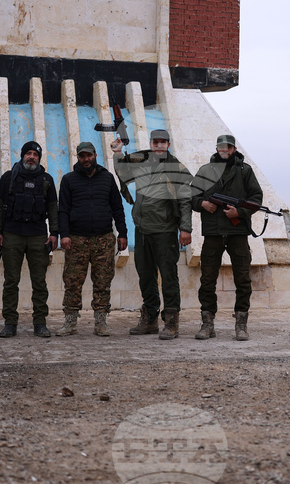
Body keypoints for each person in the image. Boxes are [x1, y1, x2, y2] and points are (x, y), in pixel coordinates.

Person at [112, 129, 192, 340]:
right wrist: (118, 154)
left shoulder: (176, 168)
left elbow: (185, 200)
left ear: (168, 144)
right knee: (145, 275)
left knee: (168, 277)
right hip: (143, 230)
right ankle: (149, 319)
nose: (158, 146)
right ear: (151, 142)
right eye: (155, 142)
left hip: (165, 231)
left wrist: (185, 228)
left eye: (162, 142)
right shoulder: (143, 163)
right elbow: (124, 175)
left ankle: (172, 322)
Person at [190, 134, 263, 341]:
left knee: (242, 279)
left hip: (237, 233)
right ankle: (207, 323)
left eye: (228, 148)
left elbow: (256, 199)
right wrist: (203, 204)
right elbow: (192, 197)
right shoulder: (206, 171)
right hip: (213, 233)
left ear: (233, 149)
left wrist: (238, 213)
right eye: (221, 147)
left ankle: (241, 325)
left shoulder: (245, 171)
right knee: (207, 280)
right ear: (217, 148)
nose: (225, 151)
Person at [55, 142, 128, 337]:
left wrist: (122, 233)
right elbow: (63, 210)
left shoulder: (107, 178)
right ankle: (70, 322)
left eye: (89, 155)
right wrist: (65, 235)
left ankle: (101, 322)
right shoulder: (69, 180)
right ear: (78, 158)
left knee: (103, 281)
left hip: (103, 239)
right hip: (76, 240)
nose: (86, 159)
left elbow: (117, 208)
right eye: (82, 156)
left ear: (95, 155)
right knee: (72, 281)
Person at [0, 141, 59, 338]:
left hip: (38, 235)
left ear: (39, 158)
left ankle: (40, 322)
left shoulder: (46, 180)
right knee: (11, 281)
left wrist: (54, 233)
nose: (31, 157)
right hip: (12, 234)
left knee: (39, 282)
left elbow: (53, 208)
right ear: (22, 156)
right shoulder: (8, 178)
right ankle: (10, 323)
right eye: (28, 153)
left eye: (35, 154)